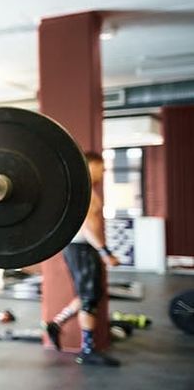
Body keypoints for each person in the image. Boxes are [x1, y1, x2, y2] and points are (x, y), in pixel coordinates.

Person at [44, 151, 121, 366]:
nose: (103, 172)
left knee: (88, 294)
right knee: (89, 299)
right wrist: (105, 253)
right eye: (100, 167)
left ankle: (57, 323)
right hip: (82, 248)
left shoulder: (85, 191)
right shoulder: (84, 192)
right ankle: (87, 351)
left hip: (80, 249)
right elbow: (87, 227)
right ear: (90, 166)